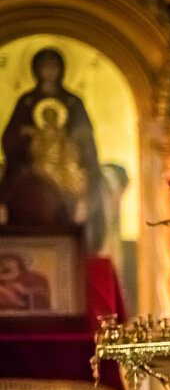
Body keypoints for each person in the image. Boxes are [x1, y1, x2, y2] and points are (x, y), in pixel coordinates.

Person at [0, 48, 106, 250]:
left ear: (62, 69)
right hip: (32, 165)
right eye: (45, 66)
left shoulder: (73, 103)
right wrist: (24, 132)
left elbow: (85, 139)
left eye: (53, 66)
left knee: (77, 192)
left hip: (66, 165)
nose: (49, 71)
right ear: (36, 69)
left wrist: (69, 139)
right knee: (23, 190)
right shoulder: (27, 101)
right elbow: (10, 137)